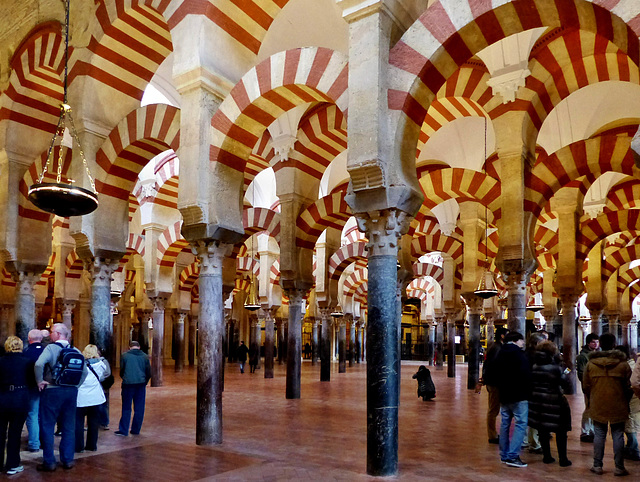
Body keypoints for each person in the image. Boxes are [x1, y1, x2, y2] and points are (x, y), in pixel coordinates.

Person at [34, 323, 88, 472]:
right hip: (70, 392)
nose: (50, 335)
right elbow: (85, 372)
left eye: (52, 332)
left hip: (52, 390)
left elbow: (39, 364)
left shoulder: (51, 348)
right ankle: (68, 460)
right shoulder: (76, 350)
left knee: (47, 425)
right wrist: (76, 385)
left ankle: (49, 462)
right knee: (68, 426)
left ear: (57, 334)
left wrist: (39, 381)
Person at [583, 332, 632, 476]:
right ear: (614, 344)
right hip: (618, 402)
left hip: (598, 402)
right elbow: (628, 386)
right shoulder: (622, 364)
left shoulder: (591, 364)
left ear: (600, 345)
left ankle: (597, 465)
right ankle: (619, 467)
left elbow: (586, 386)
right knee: (618, 435)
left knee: (599, 434)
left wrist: (593, 397)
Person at [528, 340, 572, 466]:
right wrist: (566, 372)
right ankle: (563, 459)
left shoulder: (535, 366)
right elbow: (565, 383)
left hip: (538, 400)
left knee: (543, 429)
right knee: (561, 430)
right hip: (554, 401)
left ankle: (547, 456)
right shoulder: (555, 368)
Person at [495, 331, 531, 468]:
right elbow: (526, 375)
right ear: (516, 340)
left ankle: (504, 455)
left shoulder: (500, 353)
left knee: (505, 423)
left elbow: (494, 373)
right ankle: (513, 456)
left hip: (504, 394)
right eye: (522, 341)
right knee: (521, 423)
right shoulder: (519, 355)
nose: (523, 344)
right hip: (519, 395)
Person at [0, 336, 32, 475]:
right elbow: (32, 382)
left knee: (0, 432)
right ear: (20, 345)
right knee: (15, 432)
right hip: (20, 397)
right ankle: (12, 464)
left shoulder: (0, 361)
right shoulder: (27, 362)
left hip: (2, 397)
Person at [76, 345, 108, 452]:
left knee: (78, 423)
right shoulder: (101, 364)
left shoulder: (80, 364)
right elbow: (103, 377)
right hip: (95, 397)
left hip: (81, 397)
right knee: (93, 423)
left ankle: (79, 446)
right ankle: (92, 445)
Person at [115, 340, 151, 436]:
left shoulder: (125, 356)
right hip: (140, 384)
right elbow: (148, 372)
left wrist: (126, 378)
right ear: (139, 347)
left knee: (126, 407)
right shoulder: (145, 356)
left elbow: (122, 370)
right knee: (139, 408)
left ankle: (123, 430)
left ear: (129, 347)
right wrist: (144, 382)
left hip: (128, 384)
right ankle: (136, 429)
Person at [480, 327, 507, 444]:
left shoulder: (497, 347)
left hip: (494, 382)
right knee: (493, 409)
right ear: (502, 336)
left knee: (494, 409)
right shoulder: (497, 348)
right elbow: (491, 366)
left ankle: (494, 433)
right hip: (494, 383)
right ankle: (492, 435)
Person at [616, 345, 640, 461]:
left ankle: (634, 449)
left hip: (630, 398)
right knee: (631, 423)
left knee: (629, 424)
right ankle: (630, 447)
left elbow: (633, 383)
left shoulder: (625, 367)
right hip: (635, 398)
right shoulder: (632, 364)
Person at [23, 328, 46, 452]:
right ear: (41, 338)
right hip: (46, 387)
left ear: (29, 339)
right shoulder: (46, 351)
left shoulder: (25, 352)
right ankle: (44, 441)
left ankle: (34, 443)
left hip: (31, 387)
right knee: (44, 415)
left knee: (32, 414)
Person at [577, 333, 599, 443]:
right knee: (589, 408)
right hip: (589, 386)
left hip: (597, 385)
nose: (596, 344)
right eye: (593, 342)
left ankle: (592, 430)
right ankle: (585, 431)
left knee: (593, 408)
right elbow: (581, 373)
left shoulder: (596, 354)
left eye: (597, 342)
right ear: (588, 343)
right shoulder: (583, 356)